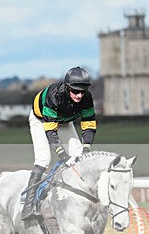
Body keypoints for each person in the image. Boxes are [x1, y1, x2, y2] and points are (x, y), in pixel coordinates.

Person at [22, 66, 96, 220]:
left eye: (82, 91)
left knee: (79, 157)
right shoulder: (54, 96)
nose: (79, 95)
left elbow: (89, 124)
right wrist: (63, 155)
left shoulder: (86, 98)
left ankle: (78, 199)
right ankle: (27, 205)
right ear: (68, 87)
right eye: (75, 91)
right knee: (43, 160)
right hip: (41, 120)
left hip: (64, 121)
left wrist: (87, 148)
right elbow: (50, 132)